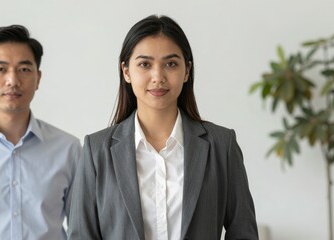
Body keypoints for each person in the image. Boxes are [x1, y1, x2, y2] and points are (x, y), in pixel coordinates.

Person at [68, 15, 258, 240]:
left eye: (170, 64)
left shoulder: (221, 145)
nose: (158, 77)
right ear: (126, 71)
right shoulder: (96, 149)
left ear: (186, 71)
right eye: (144, 64)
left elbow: (243, 232)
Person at [0, 25, 81, 239]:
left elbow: (82, 229)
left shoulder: (68, 149)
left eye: (24, 69)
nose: (12, 80)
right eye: (0, 69)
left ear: (38, 78)